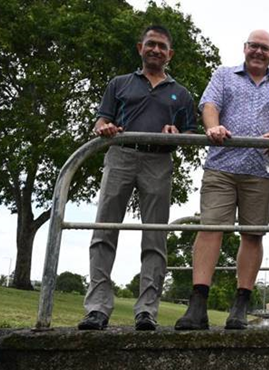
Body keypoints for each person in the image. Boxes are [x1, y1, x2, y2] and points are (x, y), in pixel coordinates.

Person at [175, 30, 269, 330]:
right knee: (210, 228)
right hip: (222, 165)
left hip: (262, 169)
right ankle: (198, 304)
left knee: (253, 235)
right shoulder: (224, 75)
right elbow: (209, 105)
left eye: (264, 48)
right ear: (245, 48)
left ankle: (241, 304)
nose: (258, 51)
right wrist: (213, 127)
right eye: (254, 46)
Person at [79, 25, 197, 331]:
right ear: (140, 48)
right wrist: (103, 127)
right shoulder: (119, 84)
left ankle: (147, 310)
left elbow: (191, 133)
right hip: (120, 154)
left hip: (159, 160)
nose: (155, 50)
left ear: (170, 54)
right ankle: (97, 308)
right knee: (104, 230)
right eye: (150, 44)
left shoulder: (181, 93)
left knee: (155, 236)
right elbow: (101, 119)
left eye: (161, 46)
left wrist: (177, 134)